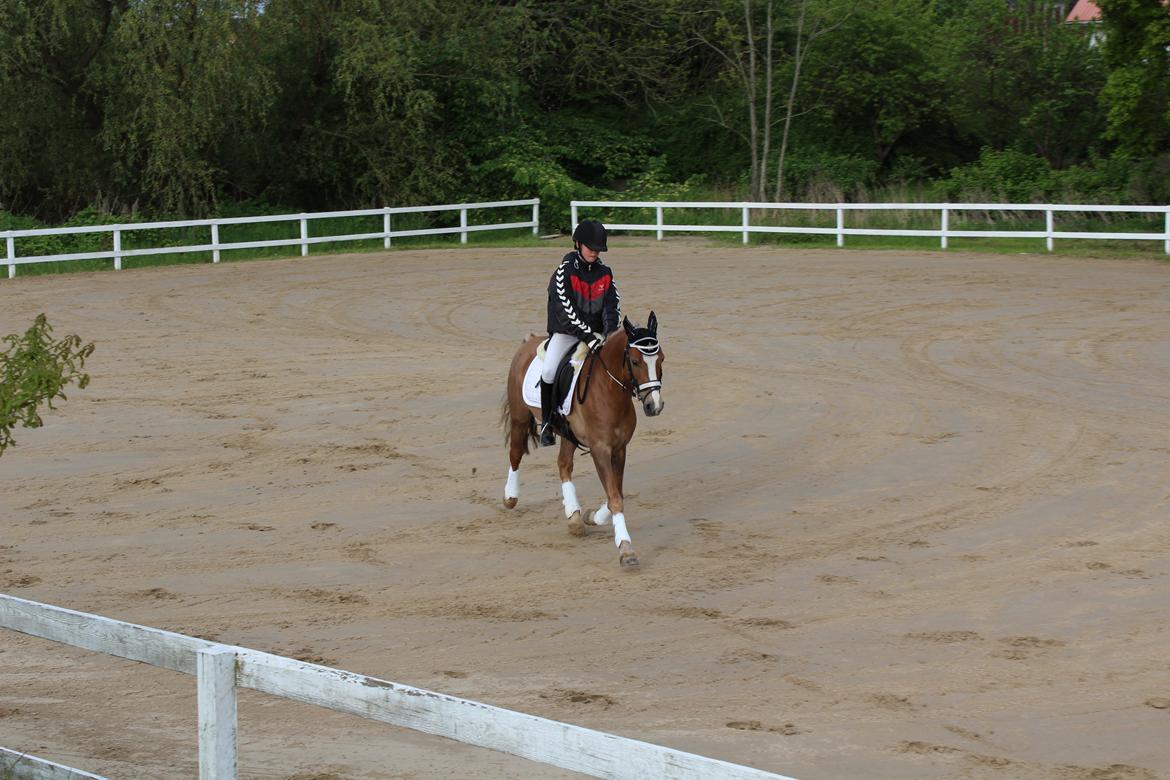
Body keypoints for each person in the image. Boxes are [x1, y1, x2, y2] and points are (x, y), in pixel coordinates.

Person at [539, 219, 621, 446]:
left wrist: (609, 333)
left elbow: (611, 307)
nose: (595, 252)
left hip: (596, 335)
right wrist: (588, 337)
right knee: (548, 371)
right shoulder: (563, 272)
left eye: (598, 249)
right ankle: (547, 422)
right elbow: (566, 312)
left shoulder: (605, 273)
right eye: (590, 247)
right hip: (566, 333)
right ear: (577, 244)